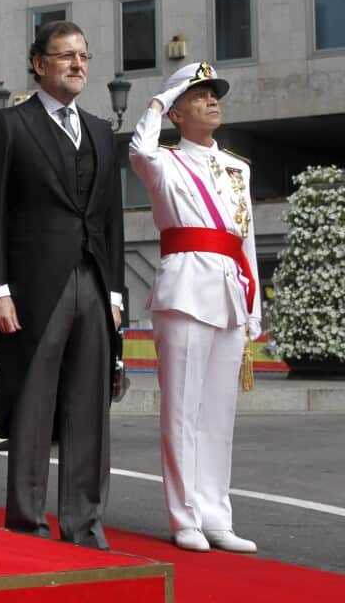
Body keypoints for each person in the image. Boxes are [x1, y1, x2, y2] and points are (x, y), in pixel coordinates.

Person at [0, 20, 124, 550]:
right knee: (34, 405)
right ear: (38, 64)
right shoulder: (9, 126)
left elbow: (111, 220)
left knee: (89, 409)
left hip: (93, 282)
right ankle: (26, 524)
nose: (78, 65)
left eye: (83, 55)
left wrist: (117, 293)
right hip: (32, 287)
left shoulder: (102, 131)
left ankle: (84, 525)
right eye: (65, 56)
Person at [129, 62, 260, 554]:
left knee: (218, 415)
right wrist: (159, 101)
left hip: (229, 289)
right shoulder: (163, 160)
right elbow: (138, 148)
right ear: (179, 112)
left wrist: (253, 307)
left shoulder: (237, 168)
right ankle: (184, 516)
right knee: (181, 410)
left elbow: (243, 241)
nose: (211, 100)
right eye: (199, 94)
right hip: (184, 288)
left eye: (214, 94)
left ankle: (216, 515)